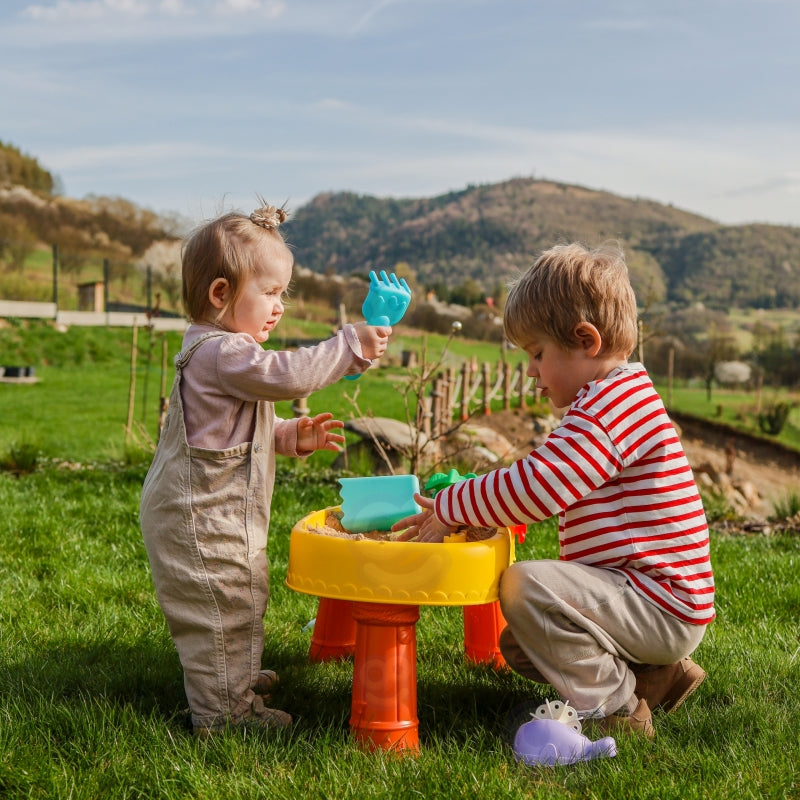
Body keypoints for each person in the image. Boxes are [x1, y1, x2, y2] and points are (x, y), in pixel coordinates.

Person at [393, 242, 713, 739]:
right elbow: (547, 480)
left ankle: (618, 711)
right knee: (523, 641)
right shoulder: (614, 398)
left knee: (526, 587)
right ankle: (656, 678)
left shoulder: (611, 406)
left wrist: (456, 505)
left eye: (538, 354)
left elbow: (544, 482)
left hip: (658, 604)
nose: (532, 372)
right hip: (650, 601)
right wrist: (489, 508)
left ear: (585, 340)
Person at [140, 200, 391, 737]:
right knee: (220, 608)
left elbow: (230, 435)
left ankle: (237, 676)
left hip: (215, 513)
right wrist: (348, 344)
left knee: (243, 595)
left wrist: (287, 437)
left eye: (284, 294)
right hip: (200, 519)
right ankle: (224, 714)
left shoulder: (229, 355)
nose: (279, 307)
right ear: (221, 294)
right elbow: (289, 374)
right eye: (271, 293)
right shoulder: (223, 353)